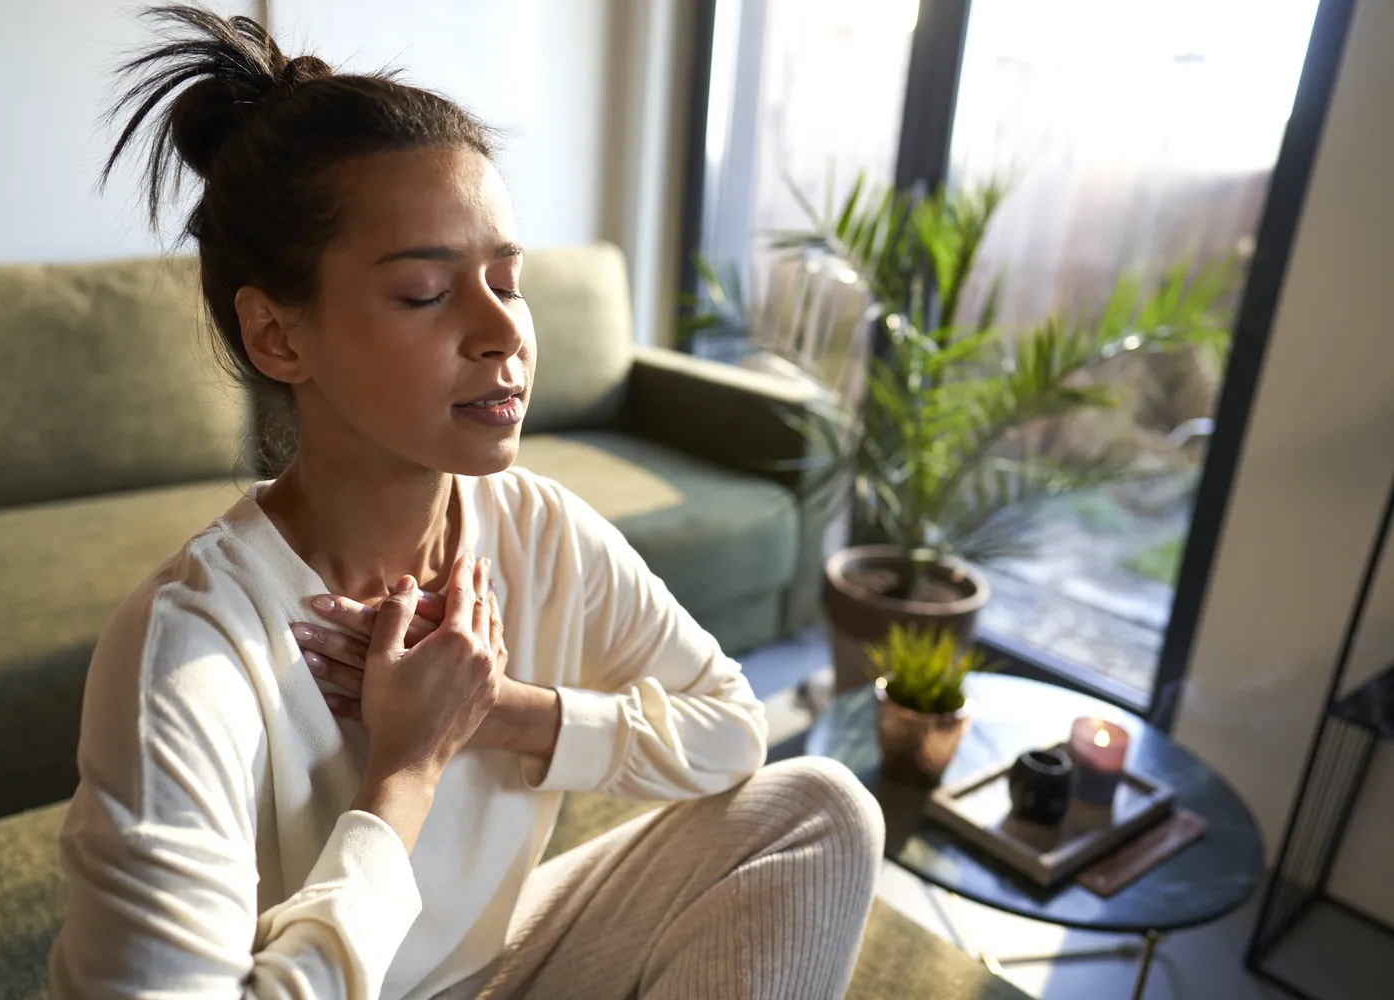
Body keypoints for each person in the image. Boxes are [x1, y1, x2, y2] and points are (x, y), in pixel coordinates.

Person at [47, 6, 884, 999]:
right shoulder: (189, 651)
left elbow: (733, 729)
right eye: (425, 293)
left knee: (822, 809)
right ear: (279, 336)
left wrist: (503, 711)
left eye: (507, 279)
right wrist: (405, 772)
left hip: (488, 974)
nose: (503, 333)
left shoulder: (540, 531)